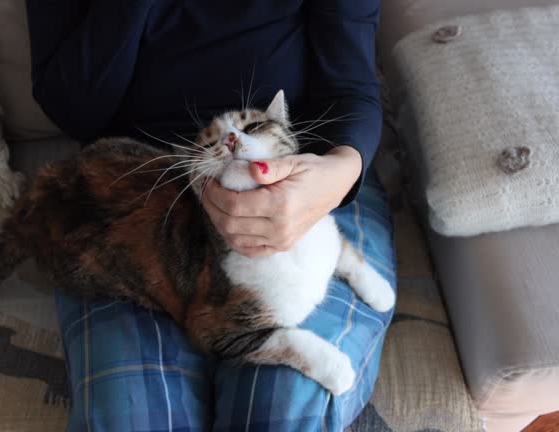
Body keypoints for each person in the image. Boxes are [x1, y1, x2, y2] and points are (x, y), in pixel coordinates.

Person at [26, 1, 394, 430]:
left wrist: (336, 177)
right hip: (140, 187)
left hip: (302, 165)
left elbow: (351, 85)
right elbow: (72, 109)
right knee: (133, 417)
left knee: (283, 410)